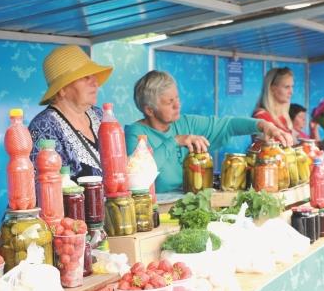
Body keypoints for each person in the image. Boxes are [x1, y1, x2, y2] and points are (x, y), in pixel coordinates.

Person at [123, 70, 285, 192]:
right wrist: (175, 141)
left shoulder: (185, 122)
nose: (177, 105)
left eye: (177, 98)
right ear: (149, 110)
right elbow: (138, 175)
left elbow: (228, 125)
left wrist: (263, 125)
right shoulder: (135, 133)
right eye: (169, 102)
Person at [27, 45, 113, 179]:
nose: (95, 83)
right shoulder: (43, 126)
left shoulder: (100, 115)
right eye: (85, 77)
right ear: (62, 89)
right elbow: (42, 184)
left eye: (93, 76)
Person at [252, 67, 299, 146]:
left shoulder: (284, 117)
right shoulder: (261, 116)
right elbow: (269, 149)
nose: (291, 92)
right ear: (272, 88)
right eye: (287, 87)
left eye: (292, 87)